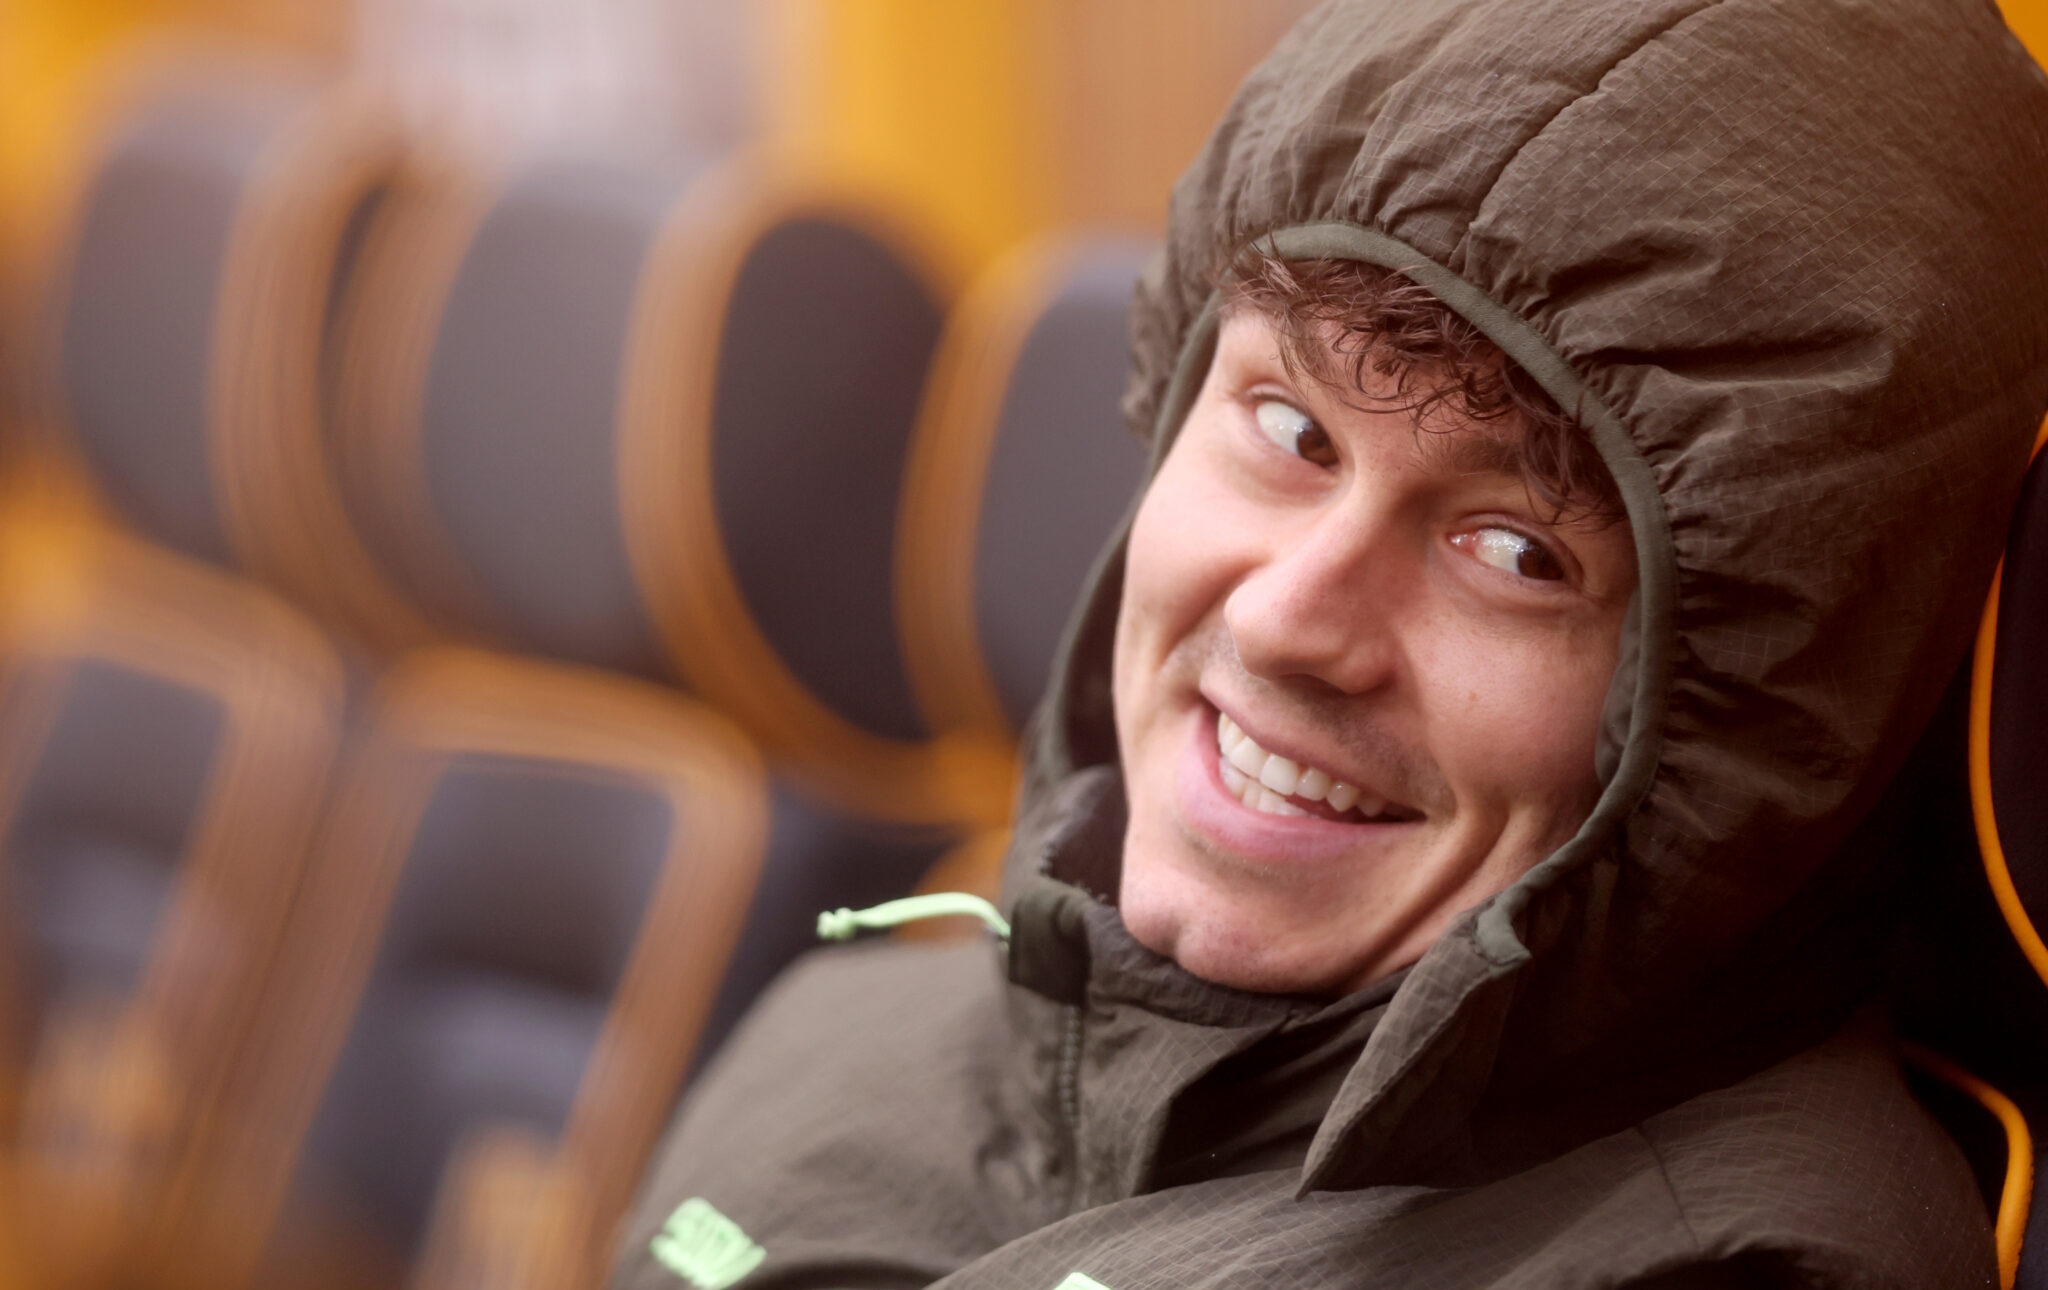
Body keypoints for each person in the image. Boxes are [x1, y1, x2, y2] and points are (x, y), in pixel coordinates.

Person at [609, 0, 2048, 1285]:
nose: (1290, 617)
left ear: (1738, 720)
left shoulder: (1726, 1264)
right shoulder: (847, 1024)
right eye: (1292, 431)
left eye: (1518, 553)